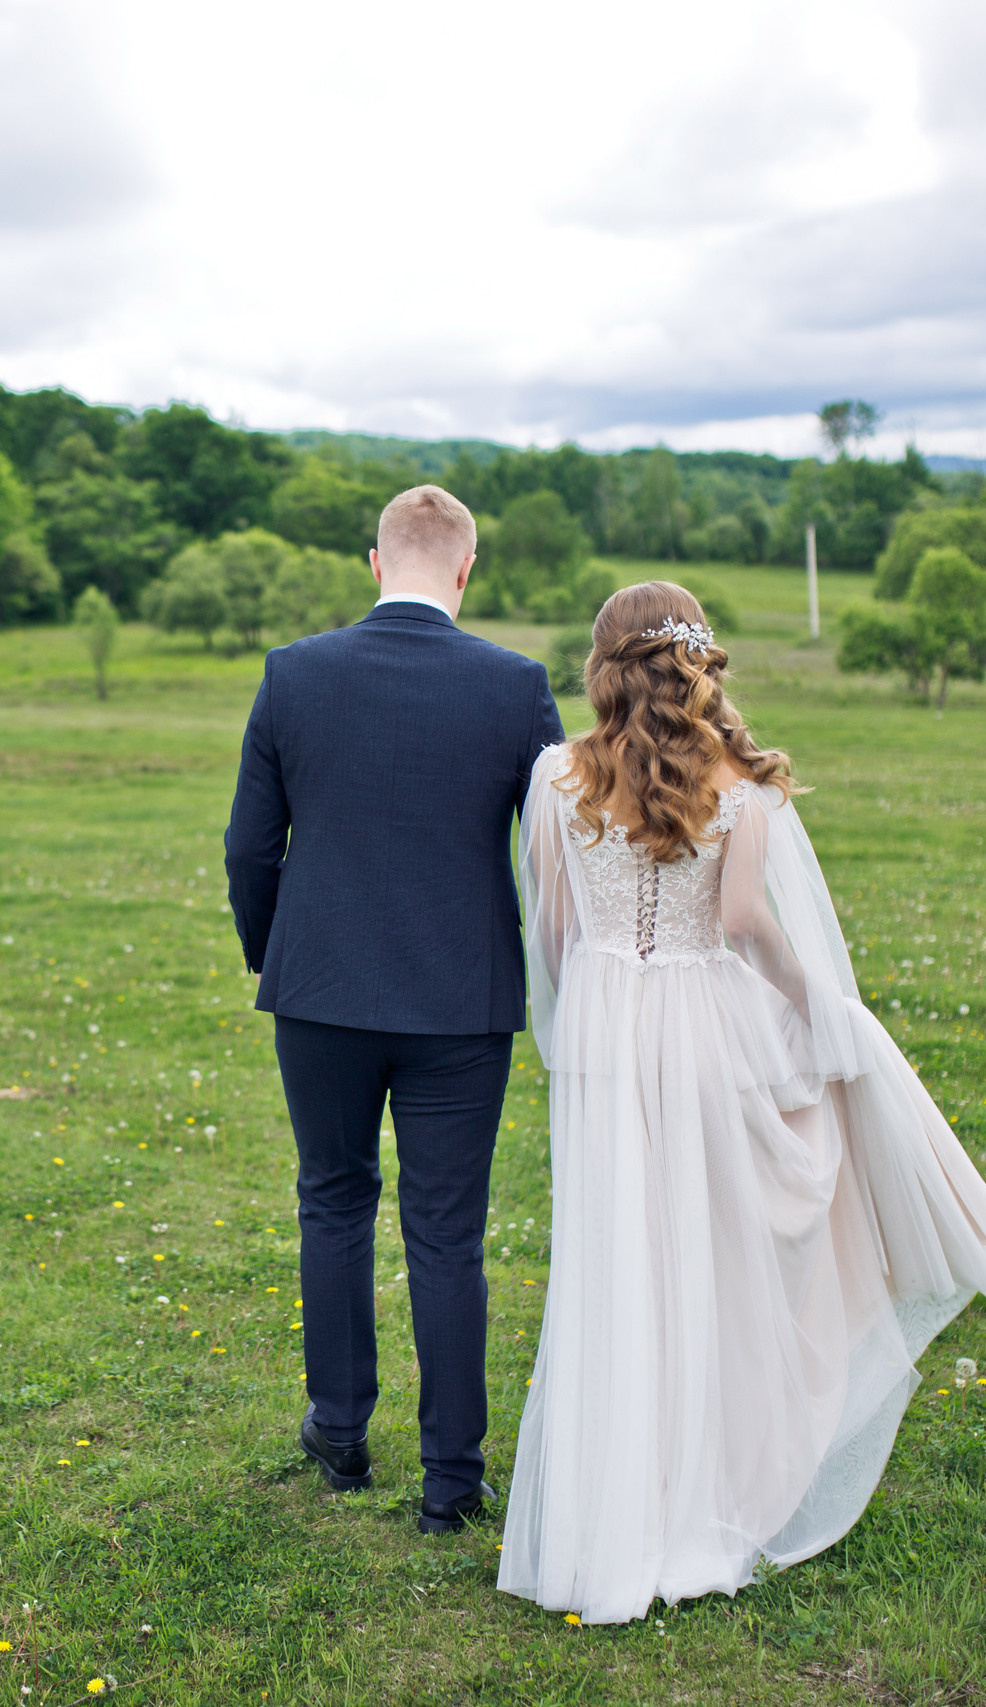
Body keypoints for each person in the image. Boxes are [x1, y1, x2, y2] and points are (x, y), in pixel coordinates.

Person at [498, 582, 986, 1624]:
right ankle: (708, 1484)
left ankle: (609, 1510)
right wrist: (821, 1010)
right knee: (710, 1248)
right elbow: (748, 923)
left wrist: (582, 1023)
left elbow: (556, 929)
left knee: (620, 1254)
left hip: (605, 1023)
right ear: (696, 660)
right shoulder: (736, 784)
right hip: (704, 1025)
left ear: (603, 665)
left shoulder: (556, 774)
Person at [225, 484, 564, 1532]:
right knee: (447, 1234)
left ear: (375, 564)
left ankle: (339, 1433)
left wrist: (278, 958)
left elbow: (247, 849)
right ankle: (450, 1482)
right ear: (466, 569)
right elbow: (555, 858)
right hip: (461, 999)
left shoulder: (292, 672)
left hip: (320, 992)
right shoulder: (516, 686)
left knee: (332, 1200)